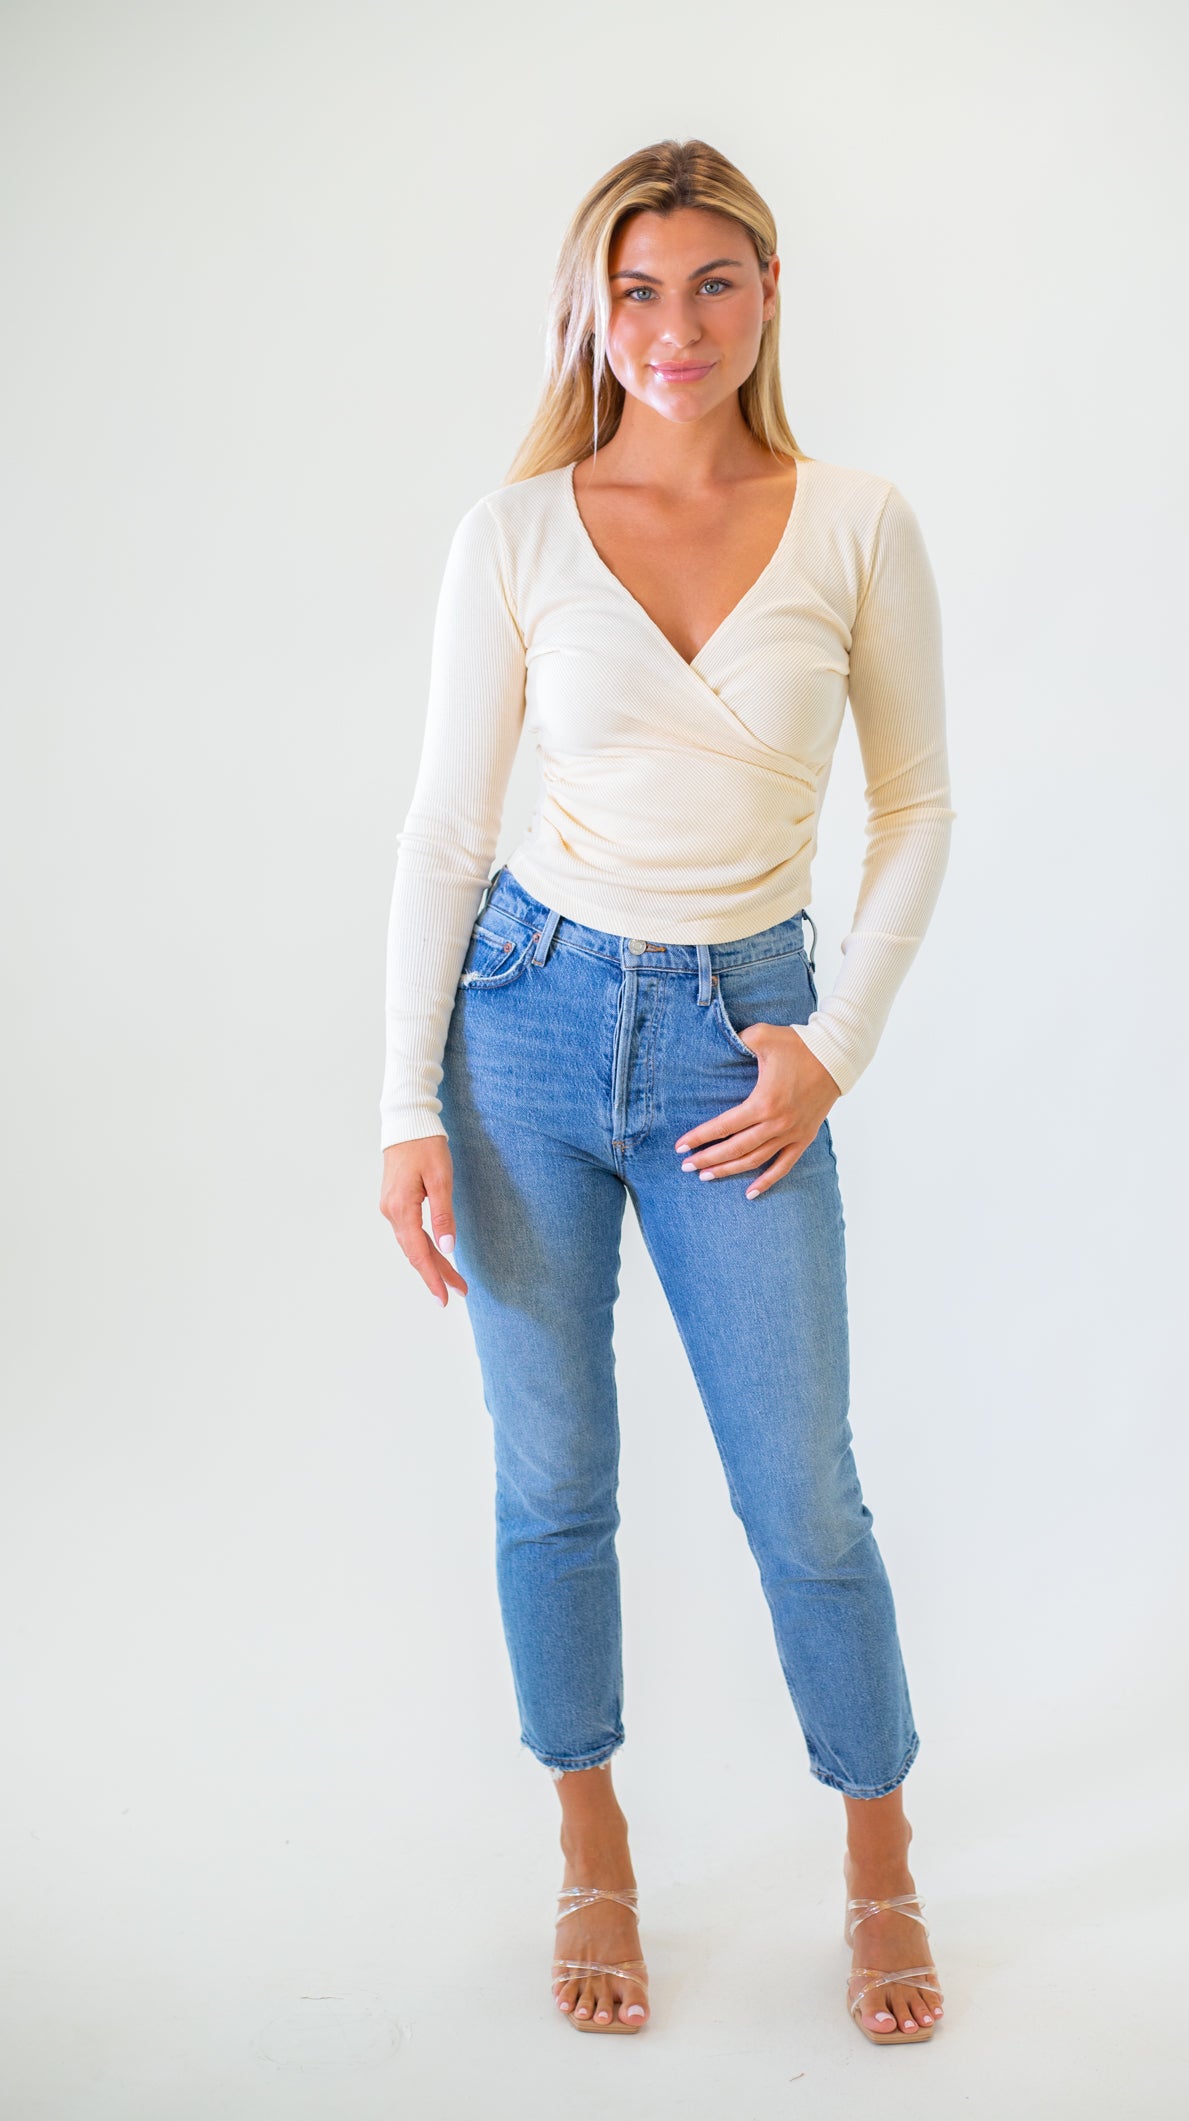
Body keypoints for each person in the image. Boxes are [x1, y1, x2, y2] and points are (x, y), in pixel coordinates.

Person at [378, 137, 956, 2046]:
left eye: (713, 282)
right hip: (524, 1031)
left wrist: (832, 1042)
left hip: (742, 1038)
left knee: (803, 1493)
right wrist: (402, 1105)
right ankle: (592, 1836)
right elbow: (446, 829)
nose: (674, 325)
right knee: (553, 1479)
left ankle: (877, 1853)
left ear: (768, 294)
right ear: (591, 308)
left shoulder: (856, 521)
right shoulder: (516, 531)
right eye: (637, 289)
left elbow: (917, 806)